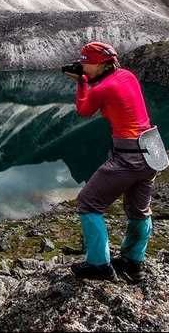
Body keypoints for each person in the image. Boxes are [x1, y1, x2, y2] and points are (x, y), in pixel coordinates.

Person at [63, 41, 157, 283]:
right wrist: (90, 78)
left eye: (87, 62)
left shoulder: (102, 88)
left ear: (102, 64)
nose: (83, 66)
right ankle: (133, 262)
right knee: (138, 210)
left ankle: (99, 265)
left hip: (128, 157)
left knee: (88, 202)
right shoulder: (127, 76)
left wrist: (81, 83)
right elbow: (107, 86)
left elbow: (84, 109)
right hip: (152, 153)